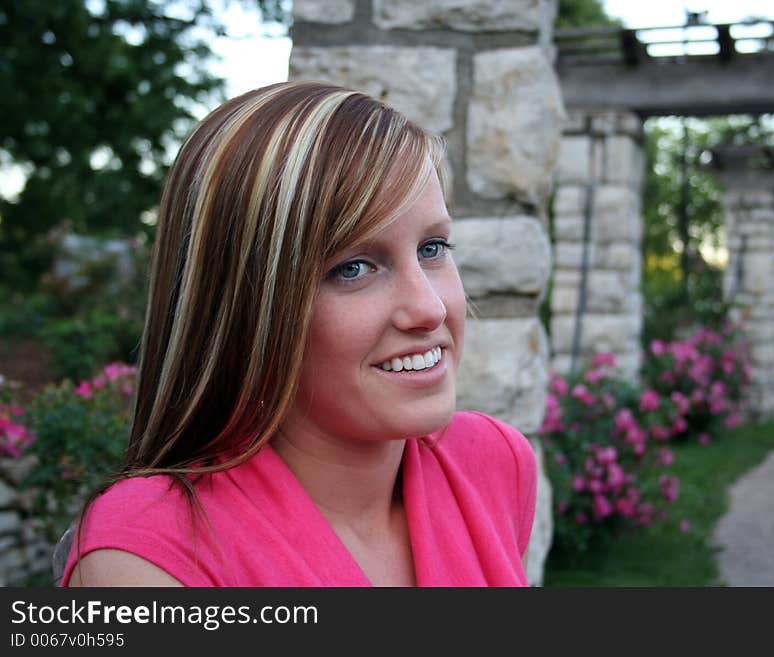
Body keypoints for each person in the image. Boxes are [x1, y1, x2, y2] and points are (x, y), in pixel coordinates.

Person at [62, 81, 537, 587]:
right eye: (354, 267)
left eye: (432, 248)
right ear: (248, 308)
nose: (429, 306)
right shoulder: (152, 554)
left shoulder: (493, 462)